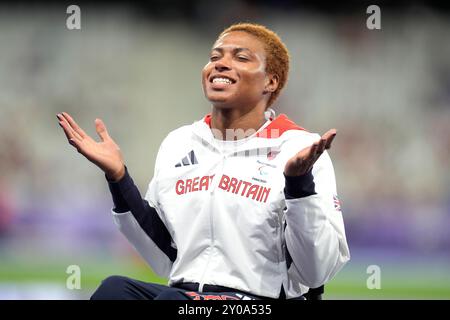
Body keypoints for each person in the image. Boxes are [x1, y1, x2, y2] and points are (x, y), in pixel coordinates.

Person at [57, 23, 350, 300]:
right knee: (114, 291)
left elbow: (316, 271)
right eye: (215, 56)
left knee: (175, 300)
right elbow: (163, 255)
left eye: (241, 57)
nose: (220, 63)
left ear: (270, 81)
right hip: (186, 294)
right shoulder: (179, 142)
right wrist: (119, 178)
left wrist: (299, 185)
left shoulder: (300, 147)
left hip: (260, 299)